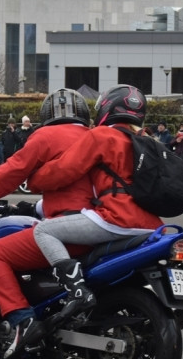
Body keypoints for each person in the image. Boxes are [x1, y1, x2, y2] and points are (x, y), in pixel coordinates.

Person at [0, 88, 94, 359]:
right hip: (99, 223)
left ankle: (23, 322)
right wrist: (38, 207)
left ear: (46, 115)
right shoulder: (94, 136)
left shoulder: (45, 136)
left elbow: (12, 171)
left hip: (69, 231)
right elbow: (79, 189)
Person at [28, 85, 163, 339]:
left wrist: (32, 179)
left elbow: (64, 169)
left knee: (44, 230)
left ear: (106, 108)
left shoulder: (101, 136)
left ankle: (76, 291)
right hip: (152, 225)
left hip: (118, 218)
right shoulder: (146, 140)